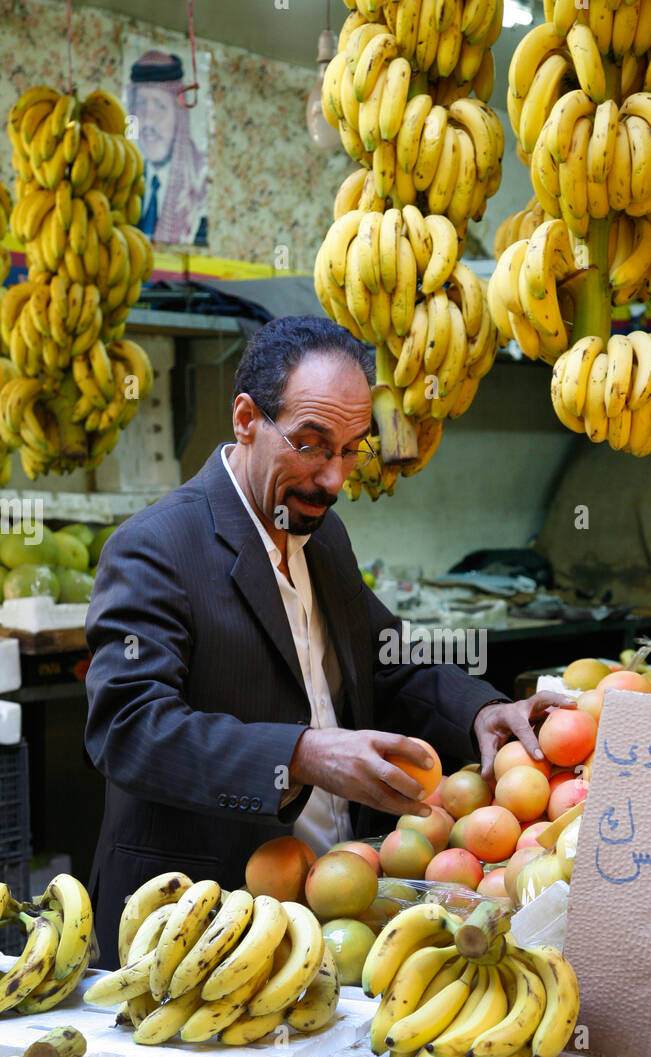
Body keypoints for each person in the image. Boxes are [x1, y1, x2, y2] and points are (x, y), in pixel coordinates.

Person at [85, 316, 575, 963]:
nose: (334, 479)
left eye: (352, 449)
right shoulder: (156, 548)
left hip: (332, 911)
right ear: (245, 420)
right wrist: (302, 754)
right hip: (200, 920)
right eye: (313, 445)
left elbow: (389, 662)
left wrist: (482, 710)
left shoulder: (322, 539)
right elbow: (128, 727)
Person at [127, 49, 207, 245]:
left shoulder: (200, 189)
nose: (148, 121)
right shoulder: (126, 180)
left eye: (160, 106)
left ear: (178, 115)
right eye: (141, 104)